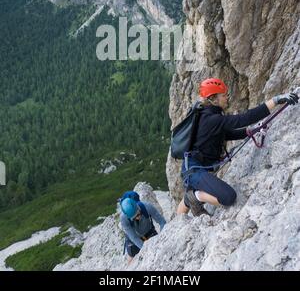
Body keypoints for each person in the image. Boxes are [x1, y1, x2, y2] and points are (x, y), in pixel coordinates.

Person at [177, 78, 299, 216]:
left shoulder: (208, 114)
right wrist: (275, 100)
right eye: (223, 95)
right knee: (228, 197)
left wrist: (250, 131)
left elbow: (224, 134)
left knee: (189, 201)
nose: (227, 98)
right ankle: (192, 197)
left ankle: (175, 227)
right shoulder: (212, 119)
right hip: (195, 170)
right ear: (213, 99)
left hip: (193, 168)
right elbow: (244, 118)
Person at [120, 193, 166, 263]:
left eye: (138, 214)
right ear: (128, 217)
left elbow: (162, 221)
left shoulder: (147, 207)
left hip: (149, 232)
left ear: (138, 207)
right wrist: (146, 250)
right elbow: (134, 238)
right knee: (132, 256)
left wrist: (162, 237)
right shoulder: (124, 219)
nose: (138, 217)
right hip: (134, 238)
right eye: (134, 218)